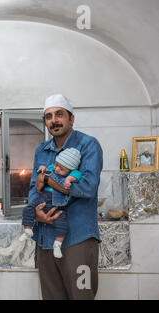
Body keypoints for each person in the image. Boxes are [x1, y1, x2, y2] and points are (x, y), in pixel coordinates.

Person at [29, 94, 103, 300]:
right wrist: (36, 213)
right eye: (49, 116)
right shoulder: (41, 150)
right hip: (46, 239)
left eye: (59, 115)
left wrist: (53, 183)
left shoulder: (88, 145)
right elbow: (34, 187)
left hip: (78, 239)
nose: (54, 121)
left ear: (71, 118)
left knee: (82, 296)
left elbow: (87, 186)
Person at [19, 147, 82, 259]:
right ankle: (28, 229)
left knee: (62, 222)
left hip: (58, 203)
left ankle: (57, 243)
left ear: (70, 170)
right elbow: (46, 170)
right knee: (28, 208)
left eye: (61, 169)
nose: (57, 169)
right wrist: (43, 168)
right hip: (43, 198)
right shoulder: (54, 167)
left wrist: (69, 180)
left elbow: (77, 176)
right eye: (57, 165)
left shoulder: (74, 173)